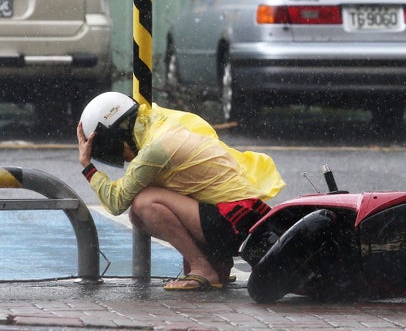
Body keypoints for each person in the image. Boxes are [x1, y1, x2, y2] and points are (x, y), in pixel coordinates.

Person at [76, 91, 285, 291]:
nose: (120, 157)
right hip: (244, 217)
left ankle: (203, 268)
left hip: (235, 222)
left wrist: (88, 166)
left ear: (118, 134)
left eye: (110, 147)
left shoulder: (156, 148)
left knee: (144, 203)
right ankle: (216, 264)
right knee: (138, 215)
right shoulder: (162, 122)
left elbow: (116, 202)